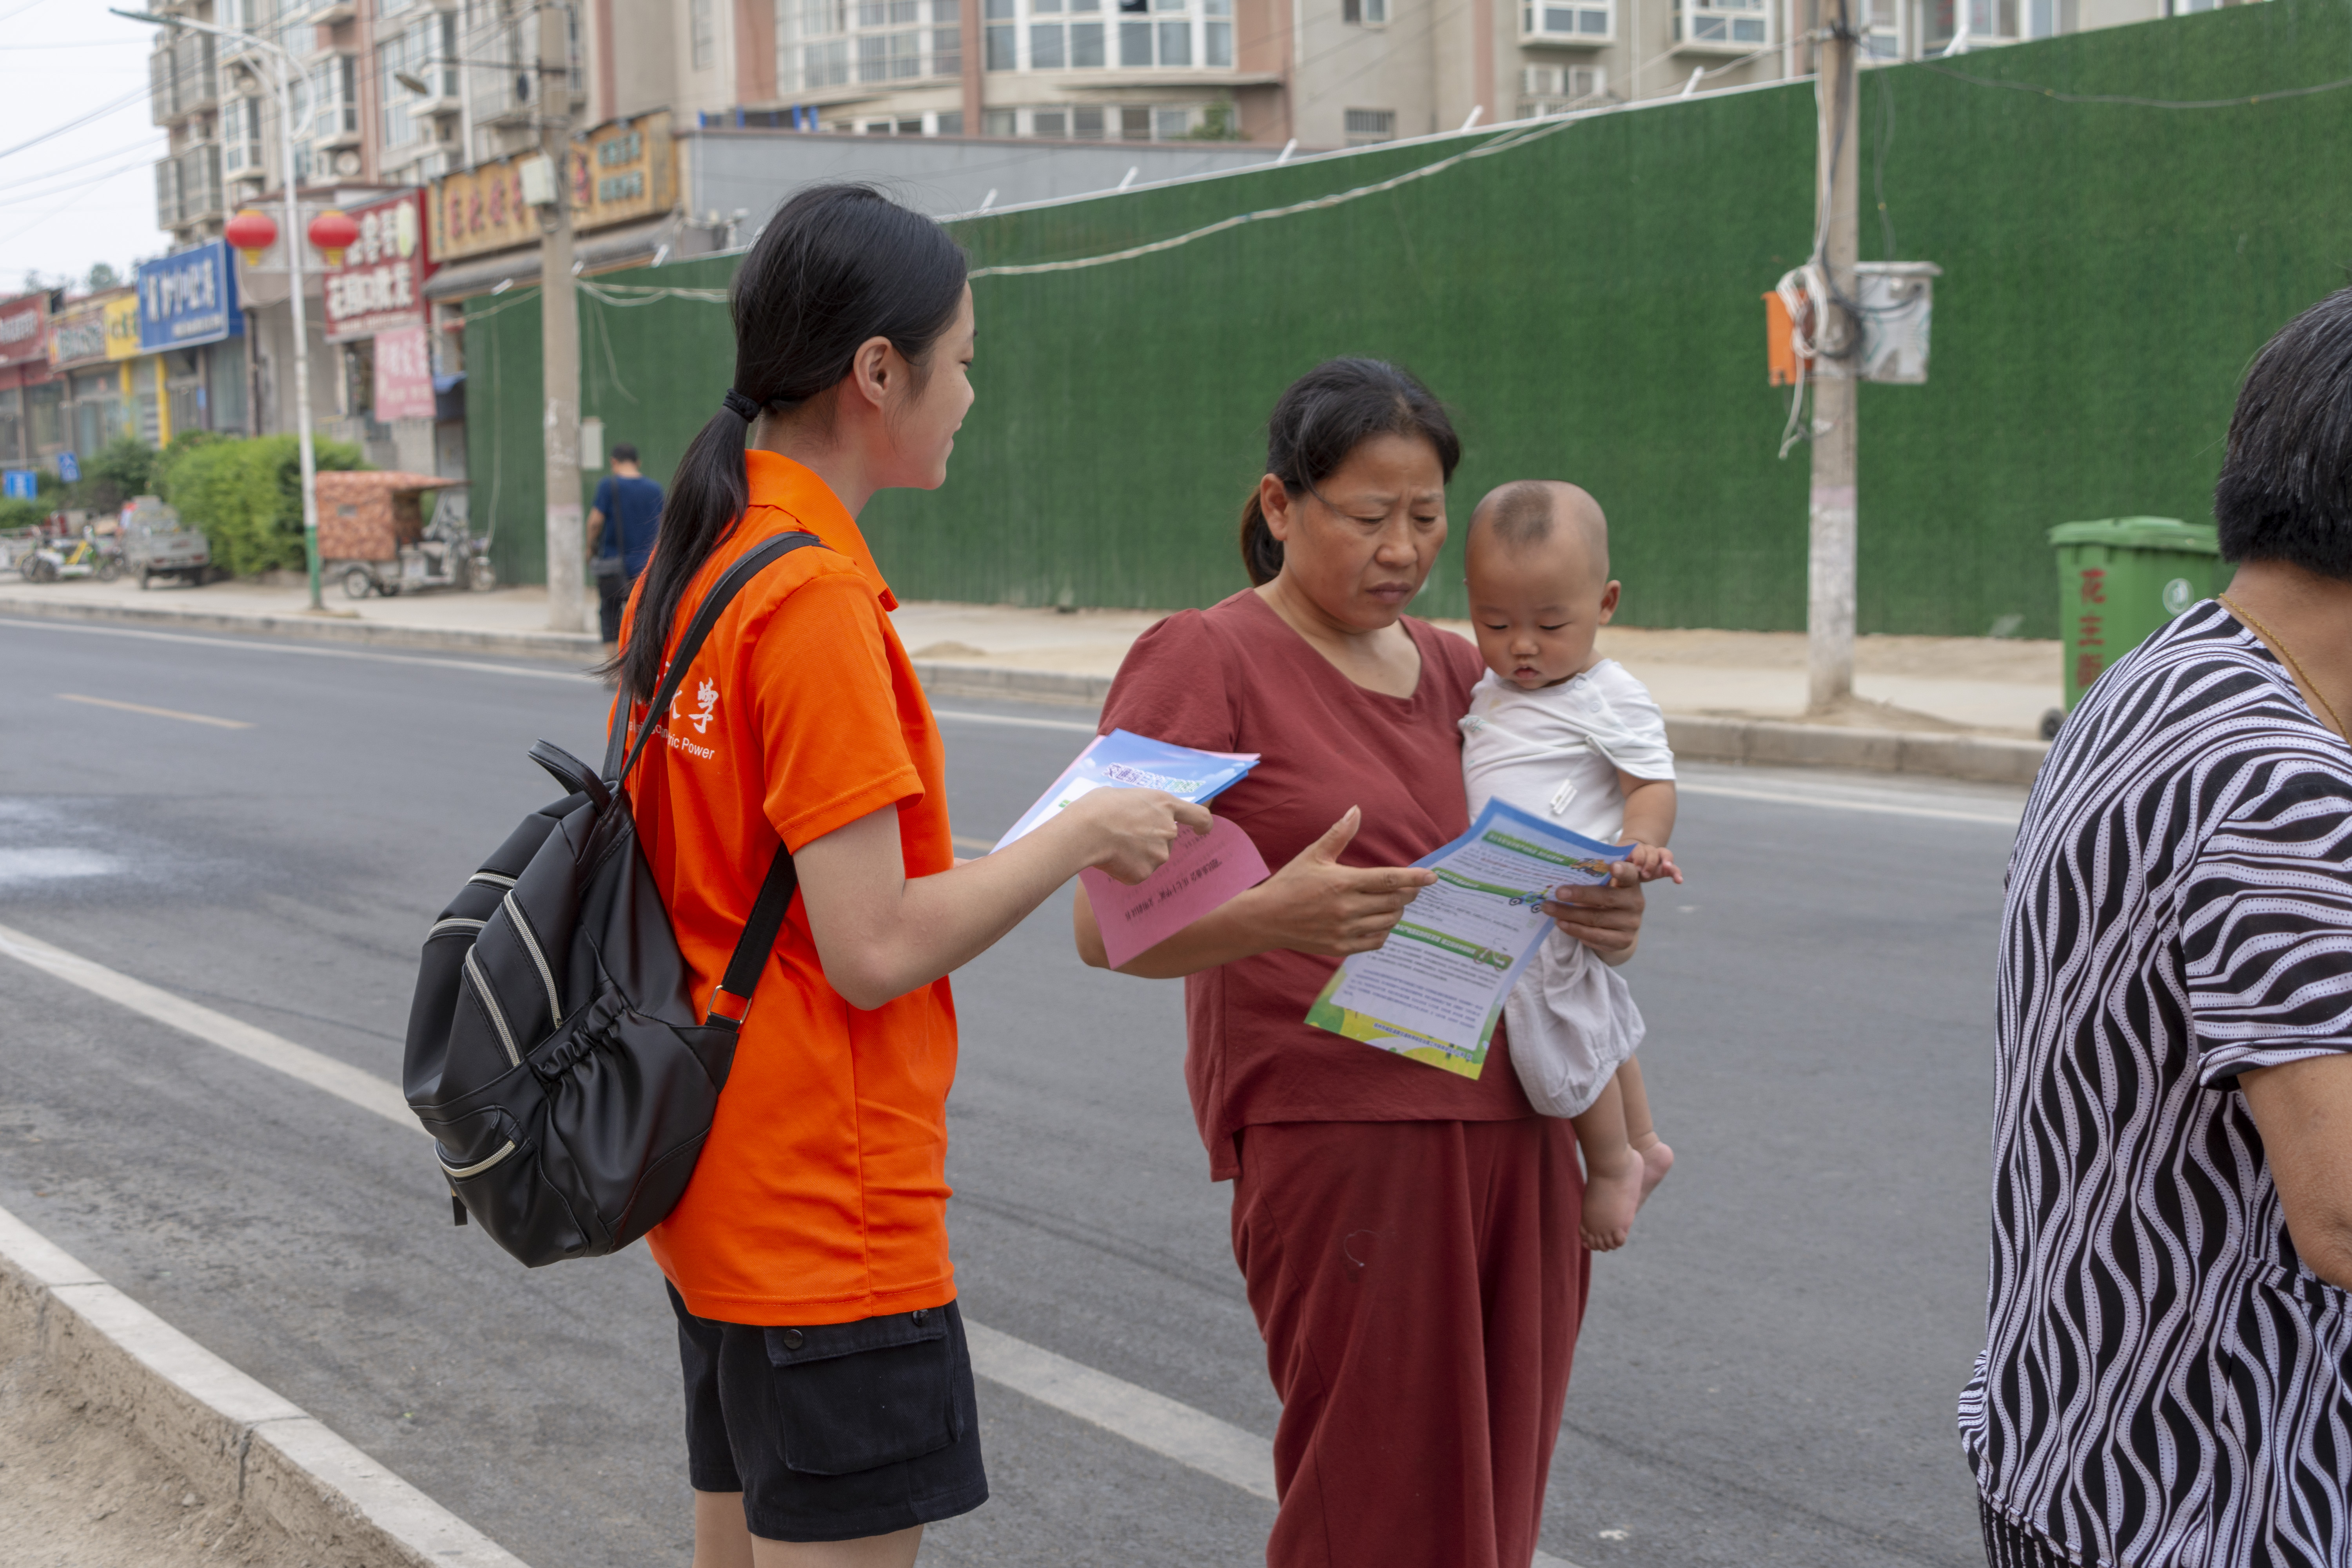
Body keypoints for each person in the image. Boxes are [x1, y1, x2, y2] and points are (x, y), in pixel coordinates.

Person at [615, 183, 1208, 1568]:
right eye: (963, 357)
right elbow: (874, 945)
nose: (971, 390)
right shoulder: (814, 603)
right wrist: (1078, 836)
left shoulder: (697, 562)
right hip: (829, 1204)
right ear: (878, 374)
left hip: (711, 1179)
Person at [1071, 358, 1650, 1568]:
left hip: (1518, 1125)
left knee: (1492, 1493)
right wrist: (1274, 915)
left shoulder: (1463, 672)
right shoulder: (1206, 659)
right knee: (1371, 1500)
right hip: (1346, 1132)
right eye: (1366, 515)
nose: (1401, 549)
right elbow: (1101, 923)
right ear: (1280, 506)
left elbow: (1566, 843)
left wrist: (1605, 913)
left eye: (1425, 516)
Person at [1963, 287, 2352, 1568]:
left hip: (2082, 1452)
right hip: (2213, 1499)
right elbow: (2340, 1211)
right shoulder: (2283, 784)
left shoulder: (2167, 675)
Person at [1458, 479, 1678, 1252]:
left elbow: (1649, 781)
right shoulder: (1485, 687)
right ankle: (1645, 1141)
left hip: (1561, 889)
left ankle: (1611, 1159)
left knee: (1556, 1036)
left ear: (1606, 602)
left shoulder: (1607, 694)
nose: (1522, 645)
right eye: (1495, 621)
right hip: (1512, 889)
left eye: (1552, 624)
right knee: (1599, 1019)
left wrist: (1638, 845)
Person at [590, 442, 664, 650]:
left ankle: (613, 670)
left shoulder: (608, 486)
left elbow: (595, 523)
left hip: (614, 566)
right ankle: (637, 667)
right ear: (638, 462)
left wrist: (590, 550)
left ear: (614, 462)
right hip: (646, 569)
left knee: (610, 612)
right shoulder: (655, 489)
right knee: (643, 617)